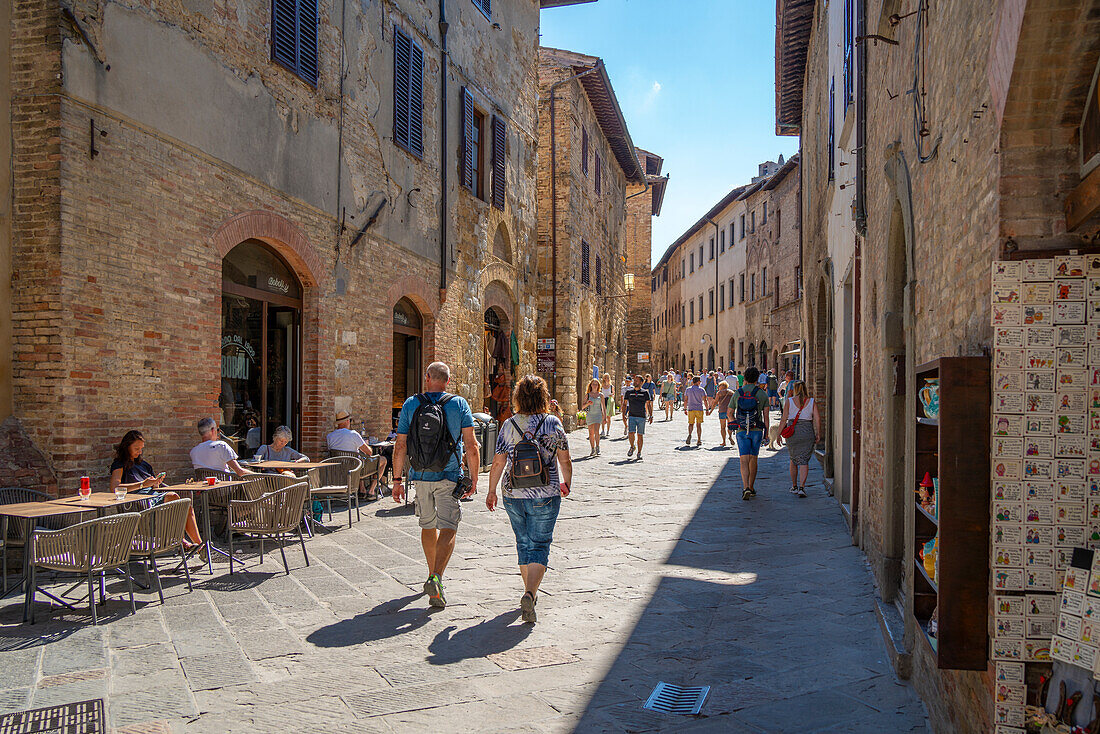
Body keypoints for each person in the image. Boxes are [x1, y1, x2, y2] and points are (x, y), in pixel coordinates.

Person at [391, 362, 479, 609]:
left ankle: (431, 574)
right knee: (449, 527)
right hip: (449, 476)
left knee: (428, 525)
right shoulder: (458, 404)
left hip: (419, 477)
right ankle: (436, 577)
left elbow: (400, 445)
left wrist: (397, 481)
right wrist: (473, 478)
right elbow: (471, 446)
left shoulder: (411, 404)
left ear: (427, 377)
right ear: (448, 381)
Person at [486, 374, 571, 624]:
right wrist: (567, 482)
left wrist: (491, 491)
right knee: (540, 544)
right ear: (543, 396)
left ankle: (528, 593)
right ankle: (530, 593)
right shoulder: (552, 422)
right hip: (545, 492)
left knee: (523, 542)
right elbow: (564, 459)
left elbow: (498, 462)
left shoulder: (509, 424)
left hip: (513, 493)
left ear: (518, 397)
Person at [112, 430, 202, 546]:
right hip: (138, 504)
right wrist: (142, 484)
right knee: (173, 497)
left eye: (141, 449)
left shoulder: (144, 465)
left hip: (153, 497)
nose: (139, 452)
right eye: (136, 448)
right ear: (127, 447)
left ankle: (199, 545)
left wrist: (155, 483)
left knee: (186, 506)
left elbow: (153, 487)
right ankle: (182, 542)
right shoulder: (120, 464)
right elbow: (115, 488)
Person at [327, 410, 387, 500]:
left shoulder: (330, 436)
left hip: (338, 468)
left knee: (358, 460)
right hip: (355, 468)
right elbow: (369, 452)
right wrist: (367, 445)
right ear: (347, 421)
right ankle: (371, 491)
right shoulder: (353, 434)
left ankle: (362, 490)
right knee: (383, 460)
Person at [731, 367, 770, 500]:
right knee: (753, 458)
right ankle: (752, 488)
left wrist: (736, 423)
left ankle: (745, 487)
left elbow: (730, 413)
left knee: (743, 460)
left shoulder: (738, 393)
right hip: (756, 430)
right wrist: (767, 433)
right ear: (757, 378)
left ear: (745, 378)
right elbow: (766, 416)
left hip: (742, 431)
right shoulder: (762, 394)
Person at [777, 380, 821, 498]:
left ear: (795, 389)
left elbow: (783, 419)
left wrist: (778, 434)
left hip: (793, 433)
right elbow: (817, 419)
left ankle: (794, 486)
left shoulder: (789, 401)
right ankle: (802, 487)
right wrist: (818, 433)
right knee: (804, 460)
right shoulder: (811, 401)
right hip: (807, 432)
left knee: (793, 459)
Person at [623, 375, 654, 460]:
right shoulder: (628, 392)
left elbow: (648, 404)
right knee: (631, 433)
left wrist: (651, 415)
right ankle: (632, 446)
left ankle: (639, 452)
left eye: (637, 380)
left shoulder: (645, 393)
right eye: (634, 380)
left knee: (640, 435)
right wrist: (623, 415)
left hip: (641, 416)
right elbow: (624, 404)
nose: (635, 382)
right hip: (632, 415)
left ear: (641, 382)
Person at [580, 378, 604, 456]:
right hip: (590, 415)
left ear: (598, 386)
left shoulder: (601, 395)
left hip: (598, 415)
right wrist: (588, 404)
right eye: (593, 384)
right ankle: (592, 449)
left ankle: (597, 447)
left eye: (596, 384)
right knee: (591, 433)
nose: (594, 386)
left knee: (597, 431)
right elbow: (582, 407)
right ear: (591, 385)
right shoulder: (588, 395)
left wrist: (605, 417)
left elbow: (603, 406)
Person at [707, 380, 734, 448]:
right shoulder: (731, 392)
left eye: (719, 386)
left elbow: (715, 403)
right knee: (730, 425)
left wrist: (710, 411)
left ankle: (724, 441)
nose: (718, 387)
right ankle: (730, 436)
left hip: (722, 411)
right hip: (730, 411)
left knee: (722, 427)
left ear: (722, 386)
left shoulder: (719, 393)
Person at [683, 375, 708, 447]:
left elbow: (685, 400)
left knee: (691, 424)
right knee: (698, 425)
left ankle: (690, 434)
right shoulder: (701, 390)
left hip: (691, 408)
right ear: (697, 382)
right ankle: (699, 440)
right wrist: (707, 409)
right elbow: (705, 400)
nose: (700, 382)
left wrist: (685, 409)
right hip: (699, 409)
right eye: (700, 381)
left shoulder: (688, 389)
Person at [600, 374, 614, 438]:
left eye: (608, 377)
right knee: (603, 416)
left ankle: (608, 430)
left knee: (608, 417)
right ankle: (603, 430)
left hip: (609, 401)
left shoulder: (611, 386)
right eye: (606, 377)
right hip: (603, 401)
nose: (607, 379)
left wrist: (612, 395)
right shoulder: (601, 386)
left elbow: (613, 394)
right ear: (604, 378)